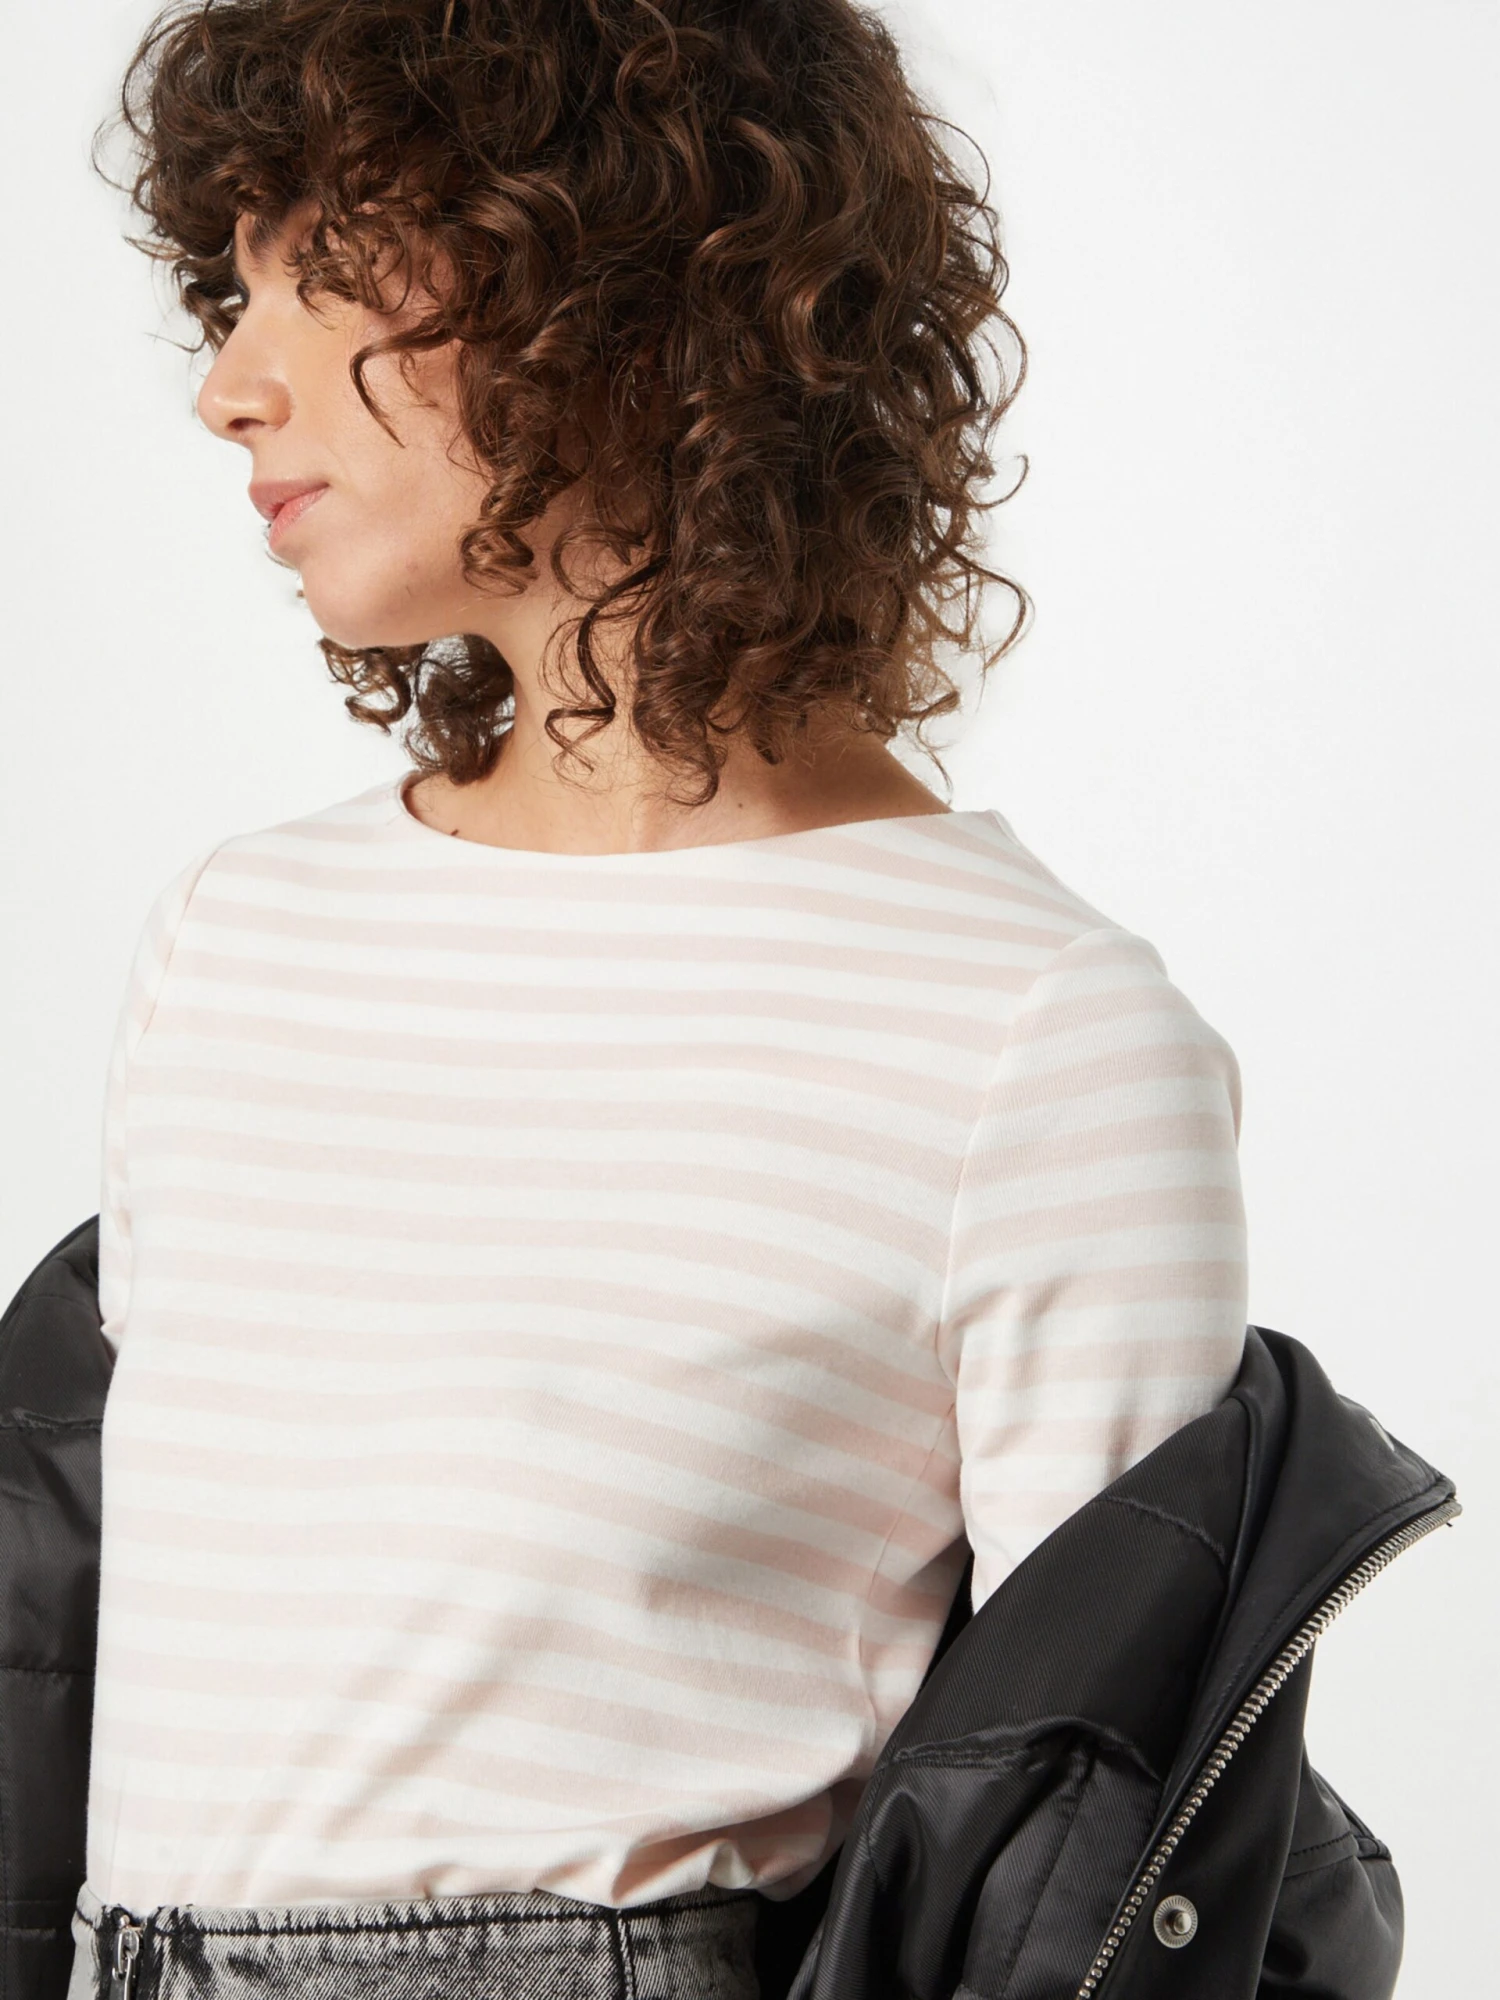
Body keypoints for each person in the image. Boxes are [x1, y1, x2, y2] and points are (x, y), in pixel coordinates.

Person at [70, 1, 1249, 1995]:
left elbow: (1097, 1879)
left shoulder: (1035, 1034)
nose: (227, 386)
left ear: (618, 283)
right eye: (228, 286)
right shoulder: (235, 934)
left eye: (322, 269)